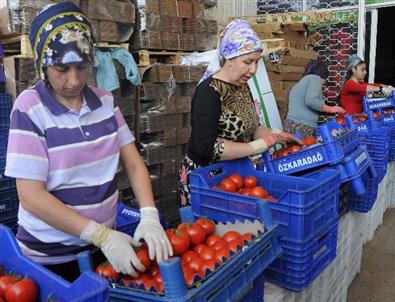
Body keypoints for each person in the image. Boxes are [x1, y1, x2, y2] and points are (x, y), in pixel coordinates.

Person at [4, 2, 172, 282]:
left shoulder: (105, 102)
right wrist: (101, 235)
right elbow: (31, 196)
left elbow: (132, 163)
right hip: (51, 259)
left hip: (103, 249)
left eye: (82, 67)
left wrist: (149, 214)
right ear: (42, 65)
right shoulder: (29, 108)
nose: (73, 81)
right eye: (61, 69)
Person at [179, 19, 301, 206]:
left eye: (256, 62)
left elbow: (252, 127)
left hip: (234, 174)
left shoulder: (242, 87)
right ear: (229, 58)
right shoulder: (209, 91)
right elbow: (206, 146)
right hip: (207, 178)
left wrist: (276, 135)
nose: (253, 70)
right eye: (247, 62)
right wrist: (258, 146)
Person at [284, 60, 346, 137]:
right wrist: (331, 109)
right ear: (323, 75)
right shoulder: (315, 78)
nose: (323, 84)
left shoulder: (302, 82)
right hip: (302, 127)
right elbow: (311, 100)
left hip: (291, 125)